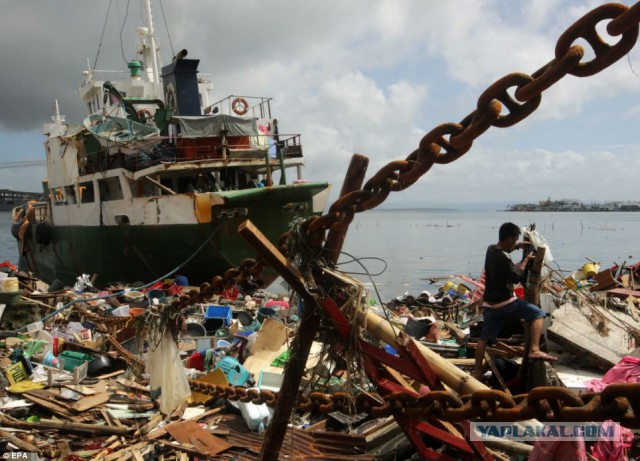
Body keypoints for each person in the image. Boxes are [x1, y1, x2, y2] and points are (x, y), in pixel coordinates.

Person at [473, 222, 556, 381]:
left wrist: (518, 246)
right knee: (537, 314)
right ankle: (534, 349)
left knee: (484, 338)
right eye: (514, 240)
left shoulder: (490, 249)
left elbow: (506, 250)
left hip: (490, 302)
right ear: (509, 238)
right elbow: (517, 277)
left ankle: (477, 372)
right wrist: (525, 260)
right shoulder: (504, 259)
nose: (514, 243)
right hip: (505, 302)